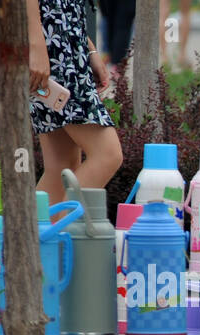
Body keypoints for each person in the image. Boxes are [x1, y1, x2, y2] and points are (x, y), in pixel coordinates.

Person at [28, 0, 124, 205]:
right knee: (107, 154)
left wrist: (89, 50)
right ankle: (63, 230)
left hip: (65, 40)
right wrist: (36, 45)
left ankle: (30, 236)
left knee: (61, 167)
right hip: (52, 45)